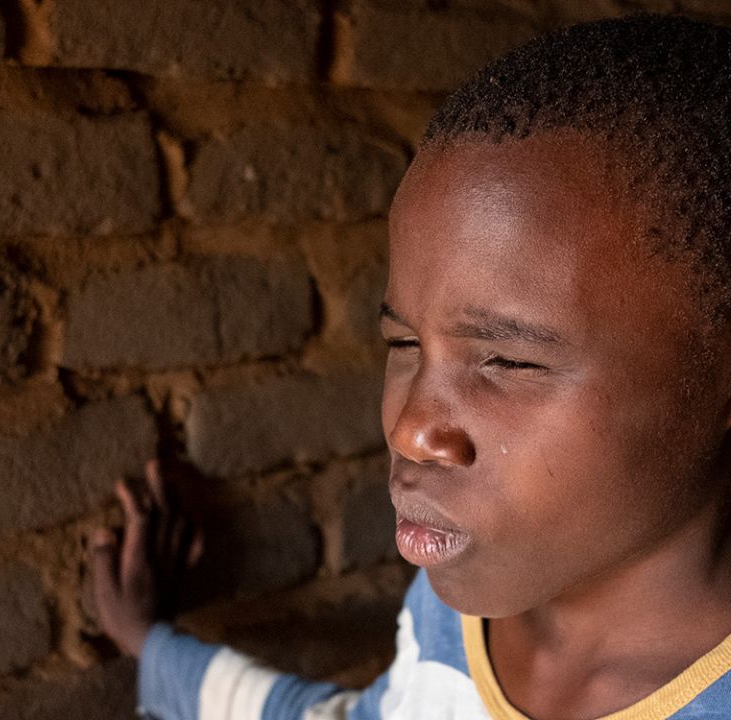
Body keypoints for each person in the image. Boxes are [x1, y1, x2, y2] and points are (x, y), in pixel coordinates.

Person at [88, 14, 731, 720]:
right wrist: (152, 647)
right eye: (404, 347)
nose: (411, 429)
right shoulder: (454, 613)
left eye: (508, 359)